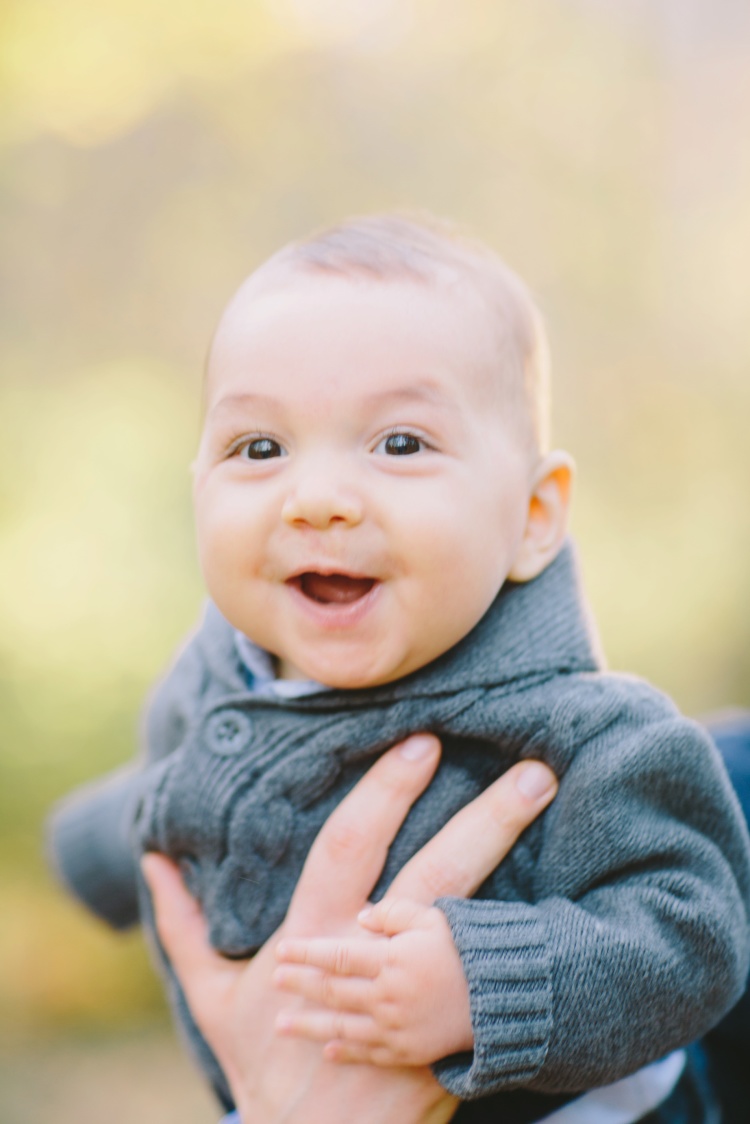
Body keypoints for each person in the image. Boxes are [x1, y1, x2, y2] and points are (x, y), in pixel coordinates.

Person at [47, 214, 750, 1123]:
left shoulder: (588, 738)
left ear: (534, 515)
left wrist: (483, 982)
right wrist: (87, 857)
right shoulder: (216, 671)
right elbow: (176, 792)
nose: (320, 499)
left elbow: (694, 934)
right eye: (259, 448)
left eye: (401, 444)